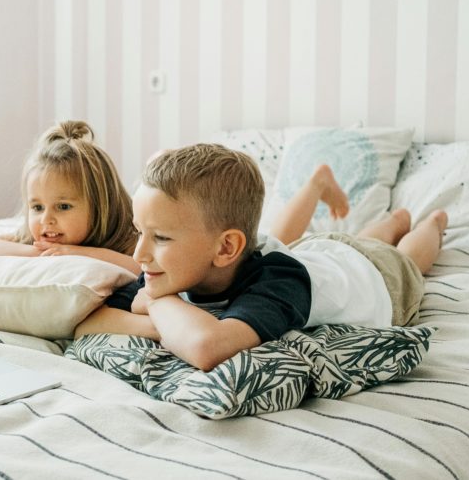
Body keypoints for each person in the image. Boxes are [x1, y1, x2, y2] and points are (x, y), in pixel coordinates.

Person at [74, 143, 447, 372]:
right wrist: (162, 324)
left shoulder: (279, 281)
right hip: (318, 254)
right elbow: (87, 324)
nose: (139, 254)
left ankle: (430, 221)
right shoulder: (165, 265)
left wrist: (156, 303)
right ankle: (366, 207)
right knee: (351, 238)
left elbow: (207, 348)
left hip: (376, 277)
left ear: (225, 249)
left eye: (161, 237)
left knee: (408, 257)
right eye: (141, 232)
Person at [0, 120, 140, 275]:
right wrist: (45, 253)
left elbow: (140, 268)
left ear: (102, 205)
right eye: (37, 207)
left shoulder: (130, 239)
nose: (45, 219)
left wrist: (77, 253)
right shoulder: (36, 241)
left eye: (63, 206)